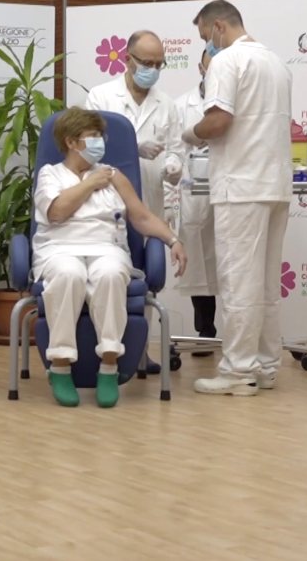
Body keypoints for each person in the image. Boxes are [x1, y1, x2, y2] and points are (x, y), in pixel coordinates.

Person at [34, 108, 187, 408]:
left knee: (111, 273)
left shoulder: (114, 176)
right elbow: (57, 212)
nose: (100, 142)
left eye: (100, 136)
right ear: (71, 142)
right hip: (59, 248)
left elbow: (142, 217)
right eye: (92, 136)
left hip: (107, 248)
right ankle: (60, 366)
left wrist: (172, 239)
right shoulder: (50, 174)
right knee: (68, 274)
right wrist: (90, 183)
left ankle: (109, 365)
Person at [182, 0, 291, 396]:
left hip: (241, 186)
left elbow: (218, 120)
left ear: (218, 27)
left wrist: (190, 132)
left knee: (238, 282)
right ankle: (265, 366)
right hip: (275, 184)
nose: (206, 45)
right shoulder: (276, 63)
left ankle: (237, 371)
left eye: (204, 36)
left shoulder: (227, 61)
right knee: (264, 284)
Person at [85, 30, 175, 374]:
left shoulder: (166, 104)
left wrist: (174, 167)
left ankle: (139, 352)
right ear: (127, 60)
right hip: (105, 201)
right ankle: (100, 350)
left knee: (146, 274)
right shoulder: (100, 96)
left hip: (148, 198)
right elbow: (86, 147)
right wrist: (132, 148)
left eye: (159, 64)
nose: (153, 70)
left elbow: (176, 150)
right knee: (105, 273)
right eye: (147, 63)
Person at [165, 49, 217, 356]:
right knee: (199, 260)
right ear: (200, 67)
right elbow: (173, 152)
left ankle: (243, 334)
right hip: (193, 192)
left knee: (235, 261)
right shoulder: (181, 106)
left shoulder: (242, 103)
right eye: (212, 66)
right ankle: (206, 330)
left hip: (233, 190)